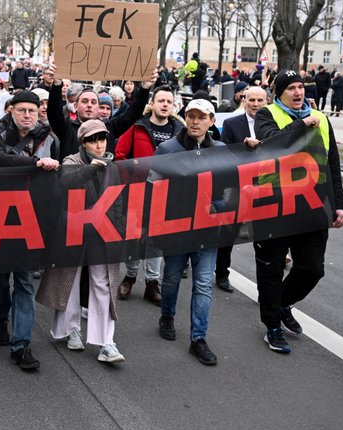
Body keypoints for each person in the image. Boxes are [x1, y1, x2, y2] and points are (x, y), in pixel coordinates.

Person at [254, 69, 343, 354]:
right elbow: (272, 143)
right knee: (270, 269)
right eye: (291, 88)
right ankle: (272, 327)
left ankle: (282, 303)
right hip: (276, 205)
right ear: (279, 93)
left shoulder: (322, 120)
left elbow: (332, 163)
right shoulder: (266, 114)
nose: (298, 93)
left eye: (301, 87)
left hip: (312, 206)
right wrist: (302, 124)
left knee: (313, 268)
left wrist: (339, 205)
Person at [0, 89, 60, 371]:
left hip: (33, 219)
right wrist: (34, 164)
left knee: (25, 281)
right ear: (11, 111)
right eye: (21, 110)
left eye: (32, 110)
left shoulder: (49, 138)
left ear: (39, 112)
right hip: (0, 216)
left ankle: (21, 344)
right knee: (1, 278)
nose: (27, 116)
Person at [37, 119, 125, 364]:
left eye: (102, 139)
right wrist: (91, 169)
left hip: (102, 232)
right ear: (83, 143)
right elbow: (65, 183)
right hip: (73, 230)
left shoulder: (114, 167)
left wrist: (118, 233)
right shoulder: (71, 161)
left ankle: (106, 342)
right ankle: (70, 329)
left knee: (103, 282)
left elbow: (117, 202)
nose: (98, 144)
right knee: (70, 279)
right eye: (92, 140)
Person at [156, 97, 225, 366]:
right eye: (191, 115)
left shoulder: (220, 150)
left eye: (201, 116)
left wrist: (219, 208)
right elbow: (153, 186)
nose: (195, 121)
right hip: (177, 229)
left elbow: (229, 187)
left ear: (211, 121)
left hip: (208, 231)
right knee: (172, 278)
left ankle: (198, 338)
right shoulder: (167, 148)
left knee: (204, 283)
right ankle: (167, 315)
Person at [114, 86, 181, 304]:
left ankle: (152, 282)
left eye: (169, 102)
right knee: (133, 236)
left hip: (165, 194)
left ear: (173, 106)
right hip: (137, 191)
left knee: (155, 240)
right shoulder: (136, 127)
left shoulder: (179, 131)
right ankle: (130, 276)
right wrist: (130, 178)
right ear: (152, 103)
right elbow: (120, 154)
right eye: (161, 100)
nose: (164, 105)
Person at [216, 86, 267, 292]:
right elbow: (223, 153)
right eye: (251, 100)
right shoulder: (231, 123)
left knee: (264, 237)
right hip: (238, 186)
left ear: (266, 101)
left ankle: (266, 285)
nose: (255, 104)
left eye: (260, 101)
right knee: (229, 232)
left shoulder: (273, 124)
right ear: (244, 100)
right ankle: (222, 274)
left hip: (264, 186)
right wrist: (244, 149)